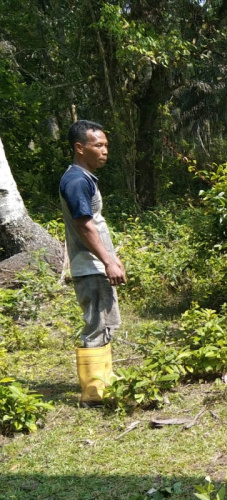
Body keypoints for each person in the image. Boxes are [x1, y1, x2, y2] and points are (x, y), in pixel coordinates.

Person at [59, 120, 126, 407]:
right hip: (89, 266)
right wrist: (108, 261)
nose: (104, 151)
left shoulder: (83, 178)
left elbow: (94, 223)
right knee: (97, 325)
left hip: (94, 264)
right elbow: (84, 225)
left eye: (106, 145)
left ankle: (103, 383)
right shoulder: (76, 180)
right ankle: (94, 393)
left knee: (104, 324)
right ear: (79, 147)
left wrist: (112, 258)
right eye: (98, 145)